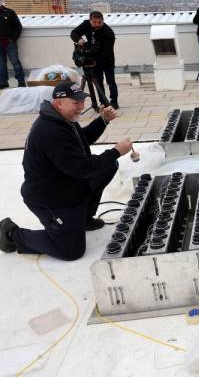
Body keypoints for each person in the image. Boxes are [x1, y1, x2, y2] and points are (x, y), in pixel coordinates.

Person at [0, 82, 133, 261]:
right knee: (71, 250)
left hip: (68, 185)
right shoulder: (50, 131)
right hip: (50, 198)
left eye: (82, 101)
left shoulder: (63, 119)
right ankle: (12, 234)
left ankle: (84, 218)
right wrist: (116, 151)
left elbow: (82, 139)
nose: (81, 107)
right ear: (59, 102)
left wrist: (103, 120)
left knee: (108, 166)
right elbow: (82, 168)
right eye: (75, 102)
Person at [70, 11, 119, 108]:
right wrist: (79, 40)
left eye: (99, 22)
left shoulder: (108, 33)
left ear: (103, 21)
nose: (97, 24)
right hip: (94, 61)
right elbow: (74, 33)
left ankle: (114, 102)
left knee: (111, 82)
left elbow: (106, 52)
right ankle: (103, 102)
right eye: (94, 22)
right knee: (98, 82)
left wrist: (89, 54)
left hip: (107, 60)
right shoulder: (86, 24)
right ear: (90, 21)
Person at [0, 2, 26, 88]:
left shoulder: (9, 12)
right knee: (1, 63)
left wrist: (12, 39)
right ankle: (3, 82)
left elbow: (18, 26)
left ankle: (21, 82)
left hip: (9, 43)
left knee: (15, 62)